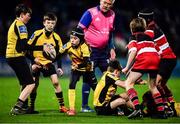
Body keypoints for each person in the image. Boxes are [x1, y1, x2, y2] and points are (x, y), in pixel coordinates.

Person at [122, 17, 166, 119]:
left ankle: (137, 109)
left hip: (144, 60)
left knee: (128, 83)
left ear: (132, 28)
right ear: (144, 27)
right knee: (152, 86)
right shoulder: (149, 37)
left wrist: (127, 68)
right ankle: (161, 112)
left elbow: (133, 52)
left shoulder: (133, 37)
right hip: (155, 59)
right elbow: (159, 51)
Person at [78, 0, 116, 112]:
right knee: (88, 77)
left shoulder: (112, 14)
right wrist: (81, 48)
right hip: (90, 51)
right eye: (105, 2)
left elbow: (110, 33)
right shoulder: (90, 13)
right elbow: (79, 30)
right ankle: (84, 106)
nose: (106, 5)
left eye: (109, 4)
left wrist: (112, 48)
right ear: (100, 1)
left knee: (111, 75)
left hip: (104, 52)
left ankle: (110, 102)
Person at [6, 4, 44, 115]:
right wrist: (42, 47)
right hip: (16, 57)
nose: (29, 17)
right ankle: (17, 107)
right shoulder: (21, 25)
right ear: (22, 15)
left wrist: (33, 58)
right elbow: (24, 46)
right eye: (28, 15)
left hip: (11, 56)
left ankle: (23, 107)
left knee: (24, 83)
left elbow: (21, 47)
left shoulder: (14, 23)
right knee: (31, 84)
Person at [138, 9, 177, 117]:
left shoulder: (150, 30)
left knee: (154, 85)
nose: (139, 20)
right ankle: (171, 105)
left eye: (141, 18)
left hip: (165, 59)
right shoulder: (153, 27)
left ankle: (163, 108)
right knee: (162, 84)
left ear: (147, 19)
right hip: (169, 58)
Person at [27, 12, 67, 113]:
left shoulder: (56, 37)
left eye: (52, 23)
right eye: (48, 22)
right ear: (44, 23)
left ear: (55, 24)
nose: (50, 25)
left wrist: (60, 67)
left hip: (48, 63)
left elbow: (59, 53)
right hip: (36, 62)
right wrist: (33, 61)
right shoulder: (37, 34)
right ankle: (31, 107)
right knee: (34, 85)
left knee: (56, 82)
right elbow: (27, 48)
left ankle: (62, 106)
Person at [59, 27, 97, 116]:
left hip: (87, 69)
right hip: (76, 69)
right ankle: (72, 109)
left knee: (97, 88)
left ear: (81, 40)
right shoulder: (68, 45)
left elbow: (86, 62)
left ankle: (105, 105)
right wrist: (52, 60)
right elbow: (58, 55)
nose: (72, 40)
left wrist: (78, 65)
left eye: (75, 38)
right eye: (71, 38)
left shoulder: (85, 47)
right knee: (71, 85)